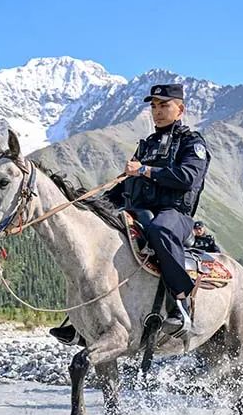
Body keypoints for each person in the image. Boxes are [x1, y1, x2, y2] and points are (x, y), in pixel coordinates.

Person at [49, 83, 210, 344]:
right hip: (138, 210)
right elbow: (128, 184)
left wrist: (146, 171)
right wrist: (93, 205)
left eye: (164, 105)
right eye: (154, 106)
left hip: (174, 214)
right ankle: (81, 321)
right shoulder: (147, 145)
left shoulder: (191, 143)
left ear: (180, 110)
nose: (157, 112)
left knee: (161, 230)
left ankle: (180, 304)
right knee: (99, 237)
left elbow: (188, 177)